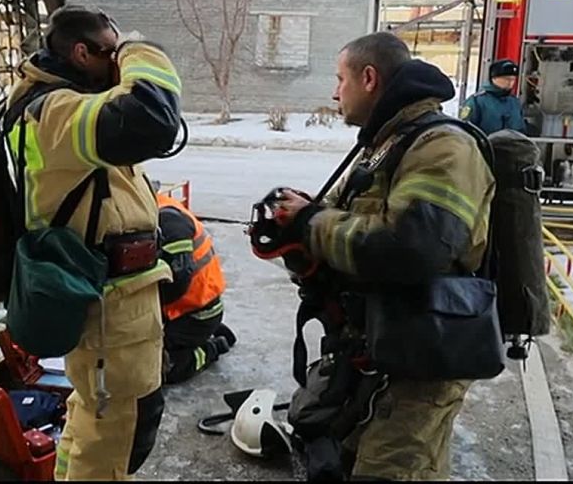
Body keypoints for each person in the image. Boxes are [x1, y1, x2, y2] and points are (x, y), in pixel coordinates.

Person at [272, 32, 495, 480]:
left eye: (341, 79)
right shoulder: (384, 146)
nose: (335, 92)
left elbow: (413, 249)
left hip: (422, 361)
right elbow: (341, 223)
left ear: (369, 78)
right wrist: (296, 228)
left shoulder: (443, 147)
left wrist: (310, 223)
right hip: (378, 344)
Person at [5, 5, 182, 480]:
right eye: (112, 52)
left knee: (97, 420)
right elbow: (151, 118)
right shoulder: (54, 111)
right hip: (109, 311)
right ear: (83, 53)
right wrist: (141, 50)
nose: (121, 63)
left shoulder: (67, 106)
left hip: (120, 306)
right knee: (116, 431)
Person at [155, 189, 236, 385]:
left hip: (195, 315)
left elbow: (177, 284)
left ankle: (210, 349)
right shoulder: (152, 210)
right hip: (183, 310)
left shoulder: (169, 222)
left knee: (155, 370)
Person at [460, 58, 527, 135]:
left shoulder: (515, 102)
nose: (510, 83)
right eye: (506, 79)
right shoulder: (476, 102)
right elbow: (465, 130)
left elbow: (521, 128)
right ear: (494, 78)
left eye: (513, 79)